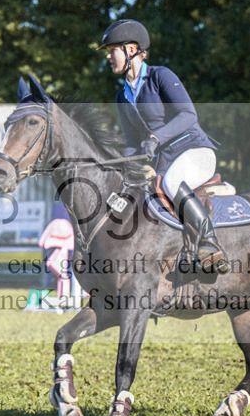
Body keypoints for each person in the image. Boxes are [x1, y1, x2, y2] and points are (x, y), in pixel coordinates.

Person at [98, 18, 229, 272]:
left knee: (170, 184)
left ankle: (210, 241)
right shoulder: (122, 97)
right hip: (167, 162)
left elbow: (189, 115)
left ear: (131, 50)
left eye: (111, 50)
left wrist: (156, 138)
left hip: (195, 151)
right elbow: (133, 144)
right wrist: (118, 169)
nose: (108, 57)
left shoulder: (161, 76)